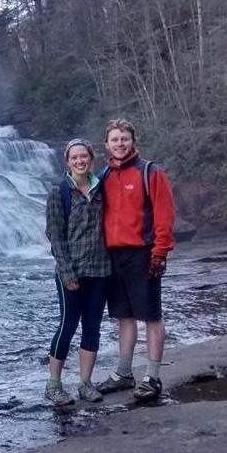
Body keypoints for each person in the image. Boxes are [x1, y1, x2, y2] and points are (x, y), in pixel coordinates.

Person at [97, 119, 175, 400]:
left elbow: (165, 215)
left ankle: (152, 378)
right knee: (124, 316)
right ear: (106, 144)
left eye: (124, 138)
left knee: (152, 316)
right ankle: (124, 373)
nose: (120, 143)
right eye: (115, 139)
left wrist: (160, 253)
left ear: (133, 141)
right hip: (114, 255)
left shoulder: (150, 172)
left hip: (144, 253)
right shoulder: (105, 174)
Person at [44, 138, 111, 406]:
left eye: (84, 157)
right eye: (75, 158)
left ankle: (85, 383)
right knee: (67, 325)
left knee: (92, 327)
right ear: (68, 162)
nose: (80, 161)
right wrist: (67, 273)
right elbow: (56, 237)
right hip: (70, 272)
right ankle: (53, 385)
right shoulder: (58, 193)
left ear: (91, 159)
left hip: (101, 270)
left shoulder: (101, 189)